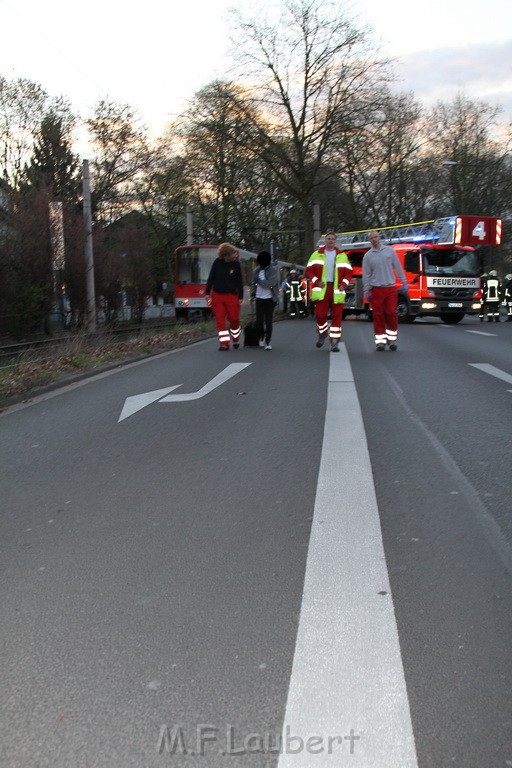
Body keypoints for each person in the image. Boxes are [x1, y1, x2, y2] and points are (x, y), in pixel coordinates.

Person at [362, 230, 408, 351]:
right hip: (377, 289)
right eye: (371, 238)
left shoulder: (389, 251)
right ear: (369, 240)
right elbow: (366, 274)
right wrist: (366, 290)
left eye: (376, 237)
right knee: (378, 315)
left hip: (390, 288)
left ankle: (391, 339)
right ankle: (380, 342)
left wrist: (404, 282)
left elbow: (398, 266)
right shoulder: (368, 256)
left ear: (379, 237)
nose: (374, 239)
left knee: (391, 312)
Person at [306, 232, 352, 351]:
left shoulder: (342, 256)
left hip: (337, 289)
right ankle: (323, 332)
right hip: (322, 289)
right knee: (320, 315)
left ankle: (335, 342)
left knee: (337, 317)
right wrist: (316, 282)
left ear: (335, 241)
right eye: (328, 239)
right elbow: (309, 271)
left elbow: (348, 273)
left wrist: (344, 285)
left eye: (332, 239)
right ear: (325, 241)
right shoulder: (316, 255)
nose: (330, 241)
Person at [205, 242, 244, 350]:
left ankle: (235, 339)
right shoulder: (217, 263)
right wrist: (207, 292)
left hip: (231, 296)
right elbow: (211, 278)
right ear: (226, 254)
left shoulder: (236, 264)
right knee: (220, 320)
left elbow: (239, 281)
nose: (236, 255)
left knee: (234, 319)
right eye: (233, 253)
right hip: (217, 295)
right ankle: (224, 343)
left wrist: (240, 296)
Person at [251, 250, 279, 350]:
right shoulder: (256, 271)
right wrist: (253, 293)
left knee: (268, 322)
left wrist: (259, 281)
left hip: (270, 299)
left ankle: (268, 342)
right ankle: (262, 336)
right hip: (259, 298)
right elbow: (253, 282)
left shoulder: (273, 270)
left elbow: (270, 283)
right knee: (259, 322)